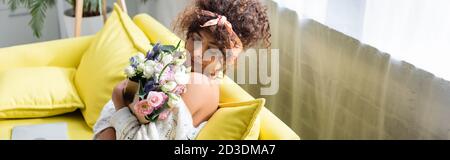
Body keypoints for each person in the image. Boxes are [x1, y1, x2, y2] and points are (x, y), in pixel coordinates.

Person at [93, 0, 271, 140]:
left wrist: (118, 102)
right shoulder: (181, 72)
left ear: (229, 59)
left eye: (213, 48)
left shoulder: (199, 84)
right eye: (196, 38)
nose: (197, 52)